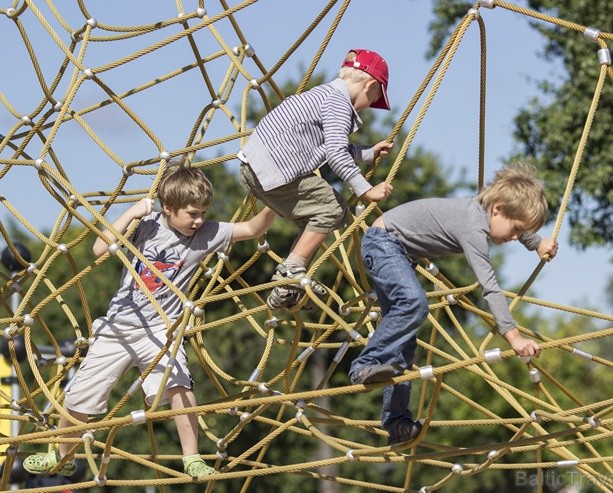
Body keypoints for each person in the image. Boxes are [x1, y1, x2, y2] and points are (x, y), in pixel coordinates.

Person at [23, 160, 276, 478]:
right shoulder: (147, 226)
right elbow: (100, 248)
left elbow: (253, 228)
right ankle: (62, 454)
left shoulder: (208, 233)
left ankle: (192, 457)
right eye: (192, 213)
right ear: (168, 207)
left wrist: (276, 200)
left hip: (161, 329)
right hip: (120, 326)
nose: (199, 220)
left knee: (180, 385)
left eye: (203, 213)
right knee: (80, 393)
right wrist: (132, 212)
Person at [348, 161, 559, 445]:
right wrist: (514, 337)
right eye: (516, 230)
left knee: (404, 344)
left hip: (396, 252)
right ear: (497, 210)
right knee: (414, 303)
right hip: (383, 244)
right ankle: (365, 363)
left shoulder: (484, 210)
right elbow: (490, 287)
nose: (514, 238)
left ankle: (396, 423)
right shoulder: (473, 227)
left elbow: (513, 215)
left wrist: (536, 242)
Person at [237, 48, 394, 311]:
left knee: (312, 218)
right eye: (374, 99)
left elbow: (327, 145)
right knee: (333, 208)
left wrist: (369, 152)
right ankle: (290, 272)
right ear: (370, 86)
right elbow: (335, 152)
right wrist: (366, 190)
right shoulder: (339, 104)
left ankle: (287, 285)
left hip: (254, 168)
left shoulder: (324, 94)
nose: (369, 108)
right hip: (277, 170)